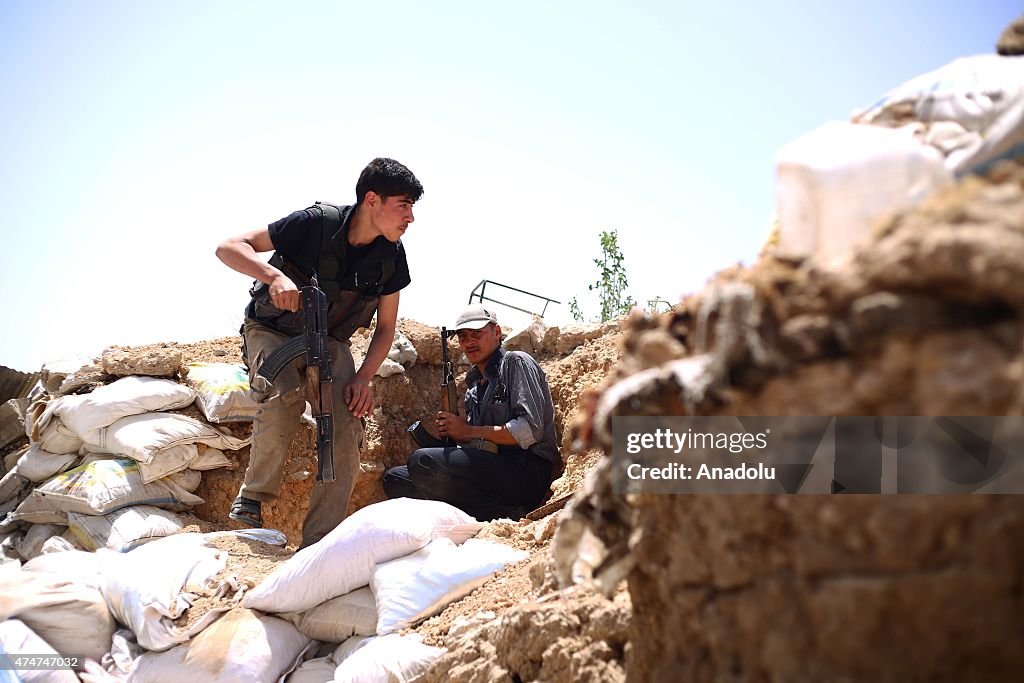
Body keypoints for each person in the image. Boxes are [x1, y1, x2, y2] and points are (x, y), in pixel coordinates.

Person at [216, 157, 424, 548]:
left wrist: (363, 378)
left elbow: (385, 329)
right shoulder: (316, 224)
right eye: (404, 205)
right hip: (272, 331)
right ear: (372, 199)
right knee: (283, 394)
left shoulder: (391, 257)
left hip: (330, 343)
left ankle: (320, 540)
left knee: (347, 424)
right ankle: (253, 498)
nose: (410, 217)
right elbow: (228, 247)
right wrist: (274, 276)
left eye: (413, 207)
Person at [382, 304, 561, 520]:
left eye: (477, 334)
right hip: (492, 471)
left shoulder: (516, 363)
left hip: (526, 471)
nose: (469, 342)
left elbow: (529, 430)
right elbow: (478, 447)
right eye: (463, 336)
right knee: (395, 478)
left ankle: (502, 515)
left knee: (421, 461)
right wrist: (454, 435)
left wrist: (467, 431)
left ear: (496, 333)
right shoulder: (474, 388)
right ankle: (470, 514)